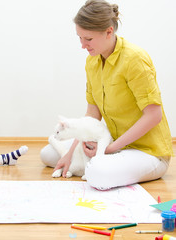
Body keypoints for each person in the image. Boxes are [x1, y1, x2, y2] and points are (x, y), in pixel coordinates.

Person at [40, 0, 173, 190]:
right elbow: (92, 115)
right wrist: (70, 153)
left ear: (109, 31)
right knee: (49, 155)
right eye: (80, 38)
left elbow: (154, 116)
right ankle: (98, 164)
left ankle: (99, 167)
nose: (83, 45)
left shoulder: (134, 59)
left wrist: (108, 149)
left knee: (98, 172)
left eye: (88, 39)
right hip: (112, 145)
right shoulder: (92, 62)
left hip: (148, 152)